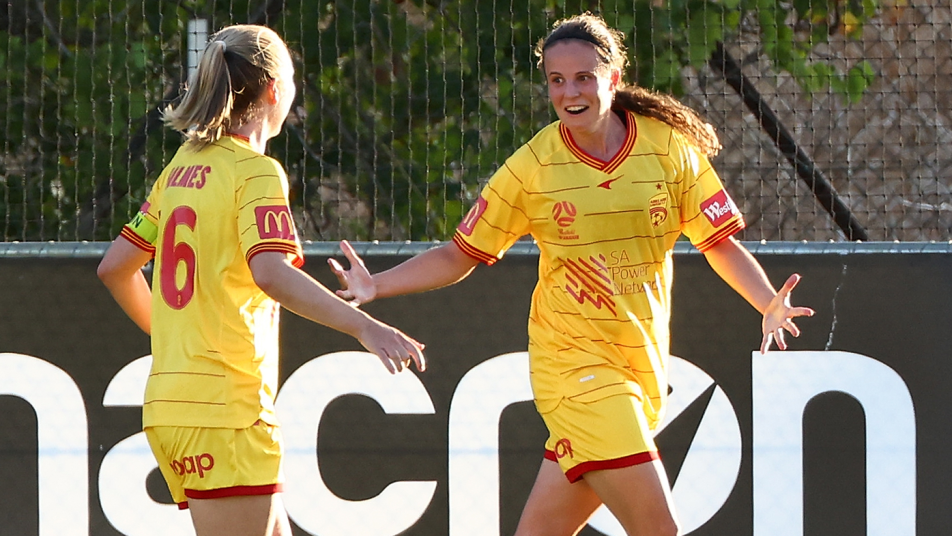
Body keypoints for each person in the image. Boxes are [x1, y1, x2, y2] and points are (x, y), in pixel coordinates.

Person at [329, 13, 814, 536]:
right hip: (573, 369)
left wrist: (767, 301)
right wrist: (379, 285)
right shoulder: (533, 166)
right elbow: (460, 253)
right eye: (557, 81)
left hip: (640, 370)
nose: (570, 92)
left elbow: (718, 244)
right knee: (660, 529)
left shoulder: (668, 148)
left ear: (613, 78)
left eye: (583, 77)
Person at [97, 24, 425, 536]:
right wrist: (365, 327)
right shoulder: (257, 172)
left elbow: (114, 267)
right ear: (275, 89)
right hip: (226, 411)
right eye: (293, 77)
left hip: (172, 403)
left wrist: (173, 339)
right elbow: (269, 273)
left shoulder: (182, 166)